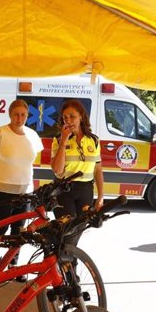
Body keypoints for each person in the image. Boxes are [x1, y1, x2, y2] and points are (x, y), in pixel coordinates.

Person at [0, 100, 44, 279]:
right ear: (10, 114)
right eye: (16, 114)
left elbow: (30, 160)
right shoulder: (0, 132)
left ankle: (12, 264)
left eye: (23, 114)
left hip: (25, 190)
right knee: (0, 227)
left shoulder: (32, 135)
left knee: (19, 229)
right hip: (1, 188)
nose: (20, 118)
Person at [51, 99, 104, 245]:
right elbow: (57, 170)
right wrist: (63, 142)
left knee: (78, 231)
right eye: (65, 117)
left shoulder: (93, 140)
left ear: (81, 116)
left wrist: (100, 197)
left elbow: (98, 169)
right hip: (63, 190)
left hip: (85, 190)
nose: (68, 120)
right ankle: (59, 263)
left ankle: (68, 264)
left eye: (72, 116)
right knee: (66, 232)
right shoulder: (58, 140)